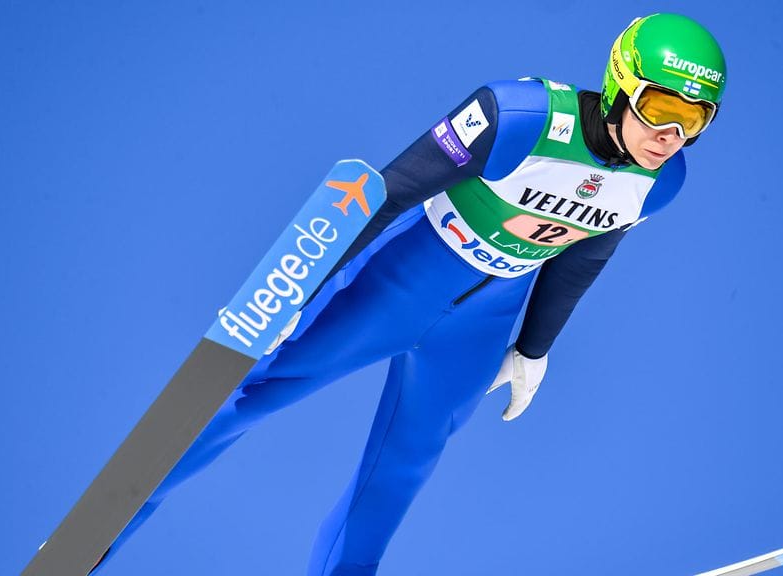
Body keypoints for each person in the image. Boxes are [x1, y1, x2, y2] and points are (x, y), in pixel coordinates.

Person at [93, 12, 727, 575]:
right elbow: (389, 192)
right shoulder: (518, 117)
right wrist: (296, 289)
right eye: (661, 108)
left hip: (480, 329)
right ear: (620, 85)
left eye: (695, 120)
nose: (671, 135)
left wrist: (533, 350)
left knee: (398, 474)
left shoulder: (660, 183)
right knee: (254, 396)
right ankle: (98, 534)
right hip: (399, 284)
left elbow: (582, 259)